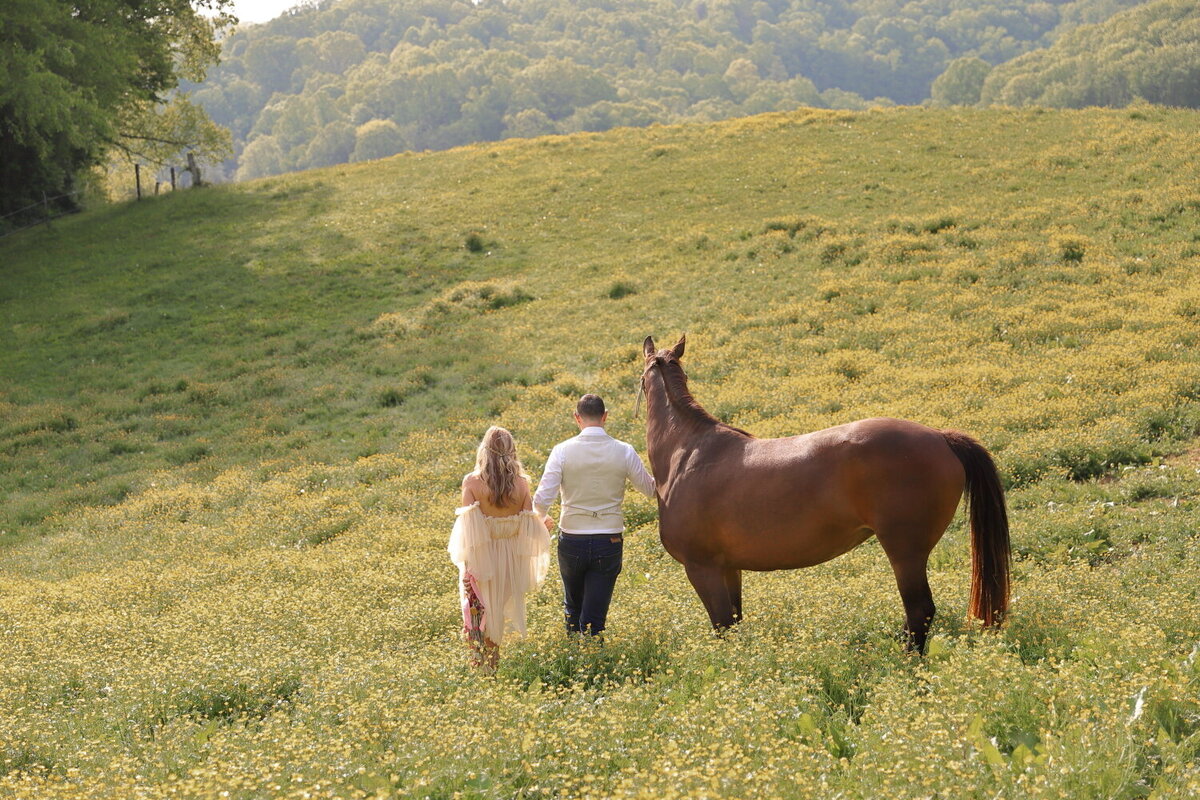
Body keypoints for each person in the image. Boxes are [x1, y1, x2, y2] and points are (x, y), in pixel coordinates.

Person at [533, 394, 656, 637]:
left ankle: (573, 661)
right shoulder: (624, 451)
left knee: (573, 606)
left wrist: (538, 519)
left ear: (577, 418)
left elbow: (542, 498)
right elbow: (650, 490)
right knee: (595, 617)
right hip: (608, 539)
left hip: (572, 538)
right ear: (605, 416)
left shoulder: (562, 451)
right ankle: (593, 662)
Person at [448, 426, 551, 672]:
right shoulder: (522, 484)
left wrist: (467, 568)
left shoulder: (472, 482)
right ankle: (492, 665)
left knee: (476, 612)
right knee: (494, 615)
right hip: (510, 560)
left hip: (480, 558)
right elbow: (529, 524)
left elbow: (468, 530)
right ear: (511, 451)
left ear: (484, 450)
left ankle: (480, 668)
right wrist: (544, 524)